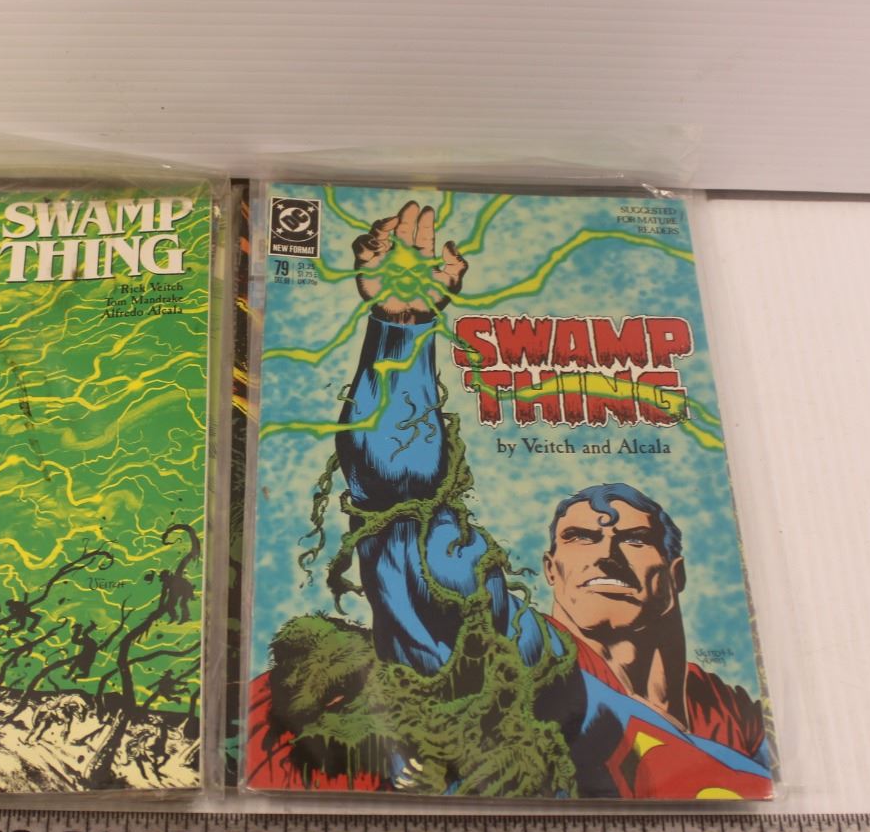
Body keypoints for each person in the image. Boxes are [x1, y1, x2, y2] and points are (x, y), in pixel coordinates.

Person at [249, 201, 772, 798]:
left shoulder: (731, 717)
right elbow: (410, 517)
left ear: (673, 571)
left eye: (632, 538)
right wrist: (402, 333)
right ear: (550, 569)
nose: (606, 554)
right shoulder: (530, 660)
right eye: (581, 537)